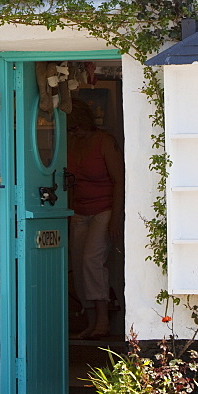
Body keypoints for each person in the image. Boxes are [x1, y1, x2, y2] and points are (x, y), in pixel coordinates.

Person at [66, 97, 124, 339]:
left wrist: (116, 219)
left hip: (104, 209)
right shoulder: (71, 142)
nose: (73, 132)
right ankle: (90, 322)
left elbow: (119, 181)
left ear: (83, 123)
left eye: (74, 127)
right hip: (79, 211)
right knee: (79, 266)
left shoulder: (104, 141)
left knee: (92, 261)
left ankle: (103, 320)